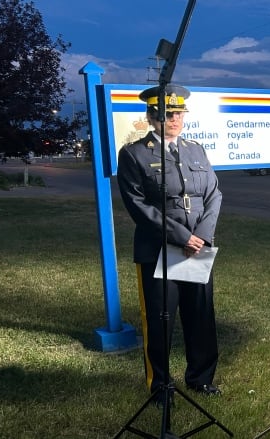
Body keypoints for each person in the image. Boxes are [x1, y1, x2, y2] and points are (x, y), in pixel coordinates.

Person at [117, 84, 223, 396]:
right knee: (161, 320)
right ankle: (160, 385)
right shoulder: (134, 154)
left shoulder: (195, 149)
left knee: (200, 316)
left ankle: (201, 378)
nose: (174, 119)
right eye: (166, 114)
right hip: (159, 248)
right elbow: (137, 205)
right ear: (151, 117)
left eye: (178, 113)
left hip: (198, 248)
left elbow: (213, 194)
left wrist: (201, 236)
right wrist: (182, 237)